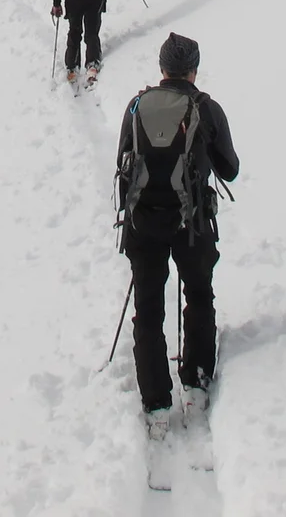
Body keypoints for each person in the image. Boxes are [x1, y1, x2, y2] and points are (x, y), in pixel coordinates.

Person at [115, 33, 239, 443]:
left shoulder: (137, 105)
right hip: (193, 223)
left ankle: (156, 405)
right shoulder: (207, 108)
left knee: (148, 310)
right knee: (199, 295)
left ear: (162, 68)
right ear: (193, 70)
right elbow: (230, 168)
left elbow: (123, 162)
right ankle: (196, 383)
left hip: (143, 224)